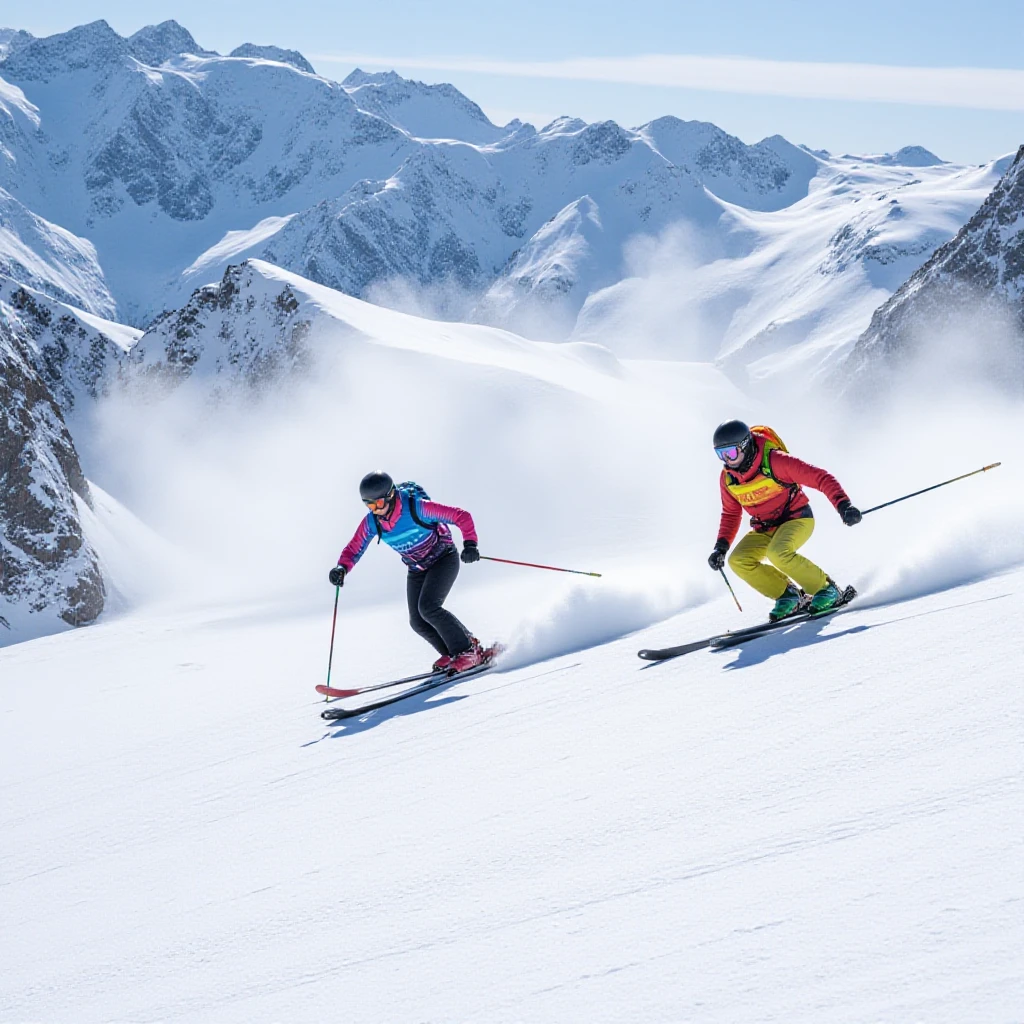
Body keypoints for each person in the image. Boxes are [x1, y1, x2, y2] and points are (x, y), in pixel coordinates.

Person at [329, 472, 487, 673]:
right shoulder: (373, 522)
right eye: (370, 506)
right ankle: (452, 652)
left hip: (443, 559)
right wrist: (342, 568)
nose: (376, 510)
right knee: (417, 621)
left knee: (429, 608)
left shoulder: (417, 508)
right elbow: (354, 547)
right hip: (417, 568)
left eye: (378, 503)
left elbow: (461, 516)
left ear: (391, 496)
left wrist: (470, 545)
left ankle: (468, 651)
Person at [707, 421, 862, 620]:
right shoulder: (728, 479)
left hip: (797, 518)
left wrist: (843, 505)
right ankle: (788, 596)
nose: (727, 460)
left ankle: (826, 589)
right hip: (765, 528)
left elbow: (820, 477)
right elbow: (731, 514)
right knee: (738, 560)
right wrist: (720, 548)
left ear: (745, 445)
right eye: (721, 454)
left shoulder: (775, 461)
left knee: (778, 553)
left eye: (731, 452)